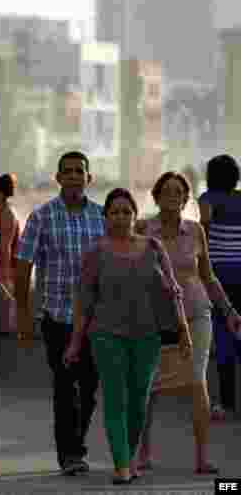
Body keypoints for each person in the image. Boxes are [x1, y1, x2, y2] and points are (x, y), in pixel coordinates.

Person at [64, 188, 191, 484]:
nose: (121, 217)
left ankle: (129, 458)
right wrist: (75, 342)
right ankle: (122, 464)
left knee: (138, 401)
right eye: (114, 212)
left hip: (148, 336)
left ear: (135, 215)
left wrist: (183, 330)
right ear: (105, 217)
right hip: (107, 335)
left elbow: (174, 293)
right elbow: (84, 300)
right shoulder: (95, 251)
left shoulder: (153, 248)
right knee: (115, 399)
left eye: (126, 211)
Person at [138, 171, 241, 474]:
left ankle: (201, 458)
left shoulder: (196, 231)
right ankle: (142, 454)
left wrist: (230, 311)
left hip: (197, 312)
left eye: (180, 192)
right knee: (149, 385)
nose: (174, 196)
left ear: (186, 198)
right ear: (156, 197)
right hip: (155, 316)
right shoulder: (143, 229)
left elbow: (207, 276)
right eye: (167, 191)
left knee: (198, 382)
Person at [15, 151, 105, 476]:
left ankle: (75, 443)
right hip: (57, 319)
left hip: (96, 321)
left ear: (88, 178)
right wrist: (22, 315)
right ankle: (71, 454)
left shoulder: (102, 217)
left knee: (90, 389)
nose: (73, 177)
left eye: (79, 171)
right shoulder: (41, 217)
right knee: (65, 388)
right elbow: (22, 268)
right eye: (67, 172)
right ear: (58, 178)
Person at [198, 154, 241, 420]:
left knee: (224, 334)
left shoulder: (207, 199)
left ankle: (226, 403)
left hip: (219, 274)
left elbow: (203, 228)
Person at [0, 174, 21, 334]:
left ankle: (7, 328)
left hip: (4, 264)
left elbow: (5, 246)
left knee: (5, 296)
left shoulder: (7, 214)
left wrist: (5, 274)